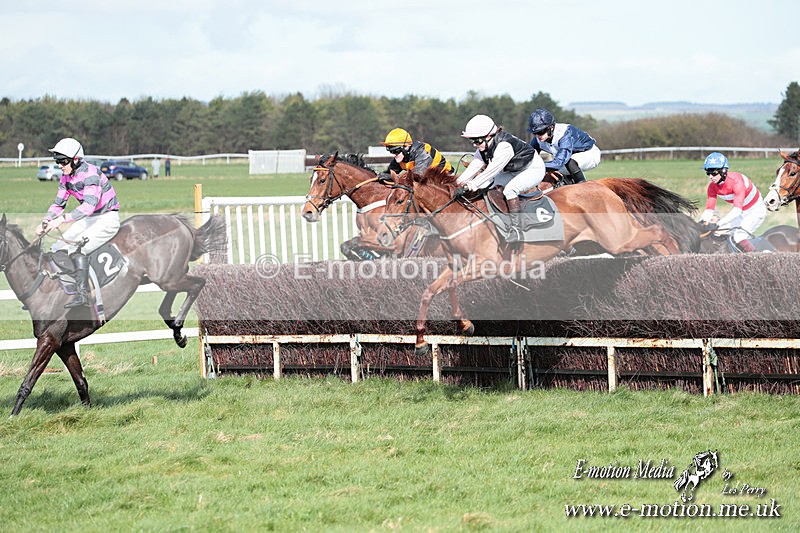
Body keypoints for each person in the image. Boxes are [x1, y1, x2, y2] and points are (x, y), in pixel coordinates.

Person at [36, 137, 121, 308]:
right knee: (56, 248)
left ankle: (83, 295)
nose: (60, 165)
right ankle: (65, 290)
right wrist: (47, 220)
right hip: (89, 219)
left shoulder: (91, 174)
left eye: (63, 161)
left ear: (75, 159)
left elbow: (88, 206)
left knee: (76, 249)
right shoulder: (65, 177)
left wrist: (61, 220)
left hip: (107, 219)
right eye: (57, 161)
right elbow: (58, 204)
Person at [456, 114, 545, 243]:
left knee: (510, 190)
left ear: (489, 136)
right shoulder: (484, 147)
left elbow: (491, 171)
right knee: (488, 188)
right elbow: (474, 166)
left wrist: (471, 185)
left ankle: (517, 230)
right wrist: (456, 183)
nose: (475, 145)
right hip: (514, 170)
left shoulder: (504, 146)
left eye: (477, 141)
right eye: (472, 141)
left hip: (533, 169)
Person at [699, 152, 765, 253]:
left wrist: (717, 224)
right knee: (717, 234)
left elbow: (737, 211)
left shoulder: (736, 182)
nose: (710, 176)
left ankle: (758, 257)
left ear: (723, 171)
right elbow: (709, 210)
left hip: (755, 211)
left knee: (739, 236)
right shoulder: (712, 187)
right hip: (741, 212)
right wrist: (702, 222)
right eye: (708, 173)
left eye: (713, 173)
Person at [527, 108, 601, 186]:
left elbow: (558, 163)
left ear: (551, 127)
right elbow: (528, 157)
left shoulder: (564, 134)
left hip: (590, 154)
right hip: (568, 159)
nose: (538, 136)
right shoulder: (537, 139)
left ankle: (583, 186)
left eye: (541, 131)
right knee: (554, 176)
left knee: (569, 162)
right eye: (535, 133)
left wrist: (537, 167)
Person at [381, 128, 453, 176]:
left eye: (396, 151)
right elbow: (389, 174)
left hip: (445, 177)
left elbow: (418, 176)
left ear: (406, 147)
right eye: (391, 151)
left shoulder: (422, 152)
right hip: (428, 180)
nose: (394, 155)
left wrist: (397, 177)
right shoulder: (401, 156)